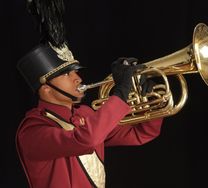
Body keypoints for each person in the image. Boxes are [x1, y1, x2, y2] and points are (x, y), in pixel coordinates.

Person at [16, 42, 164, 188]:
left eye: (75, 71)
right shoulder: (31, 131)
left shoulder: (85, 114)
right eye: (67, 74)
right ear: (46, 89)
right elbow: (87, 140)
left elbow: (140, 133)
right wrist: (121, 94)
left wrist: (151, 99)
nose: (78, 79)